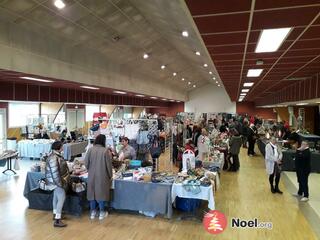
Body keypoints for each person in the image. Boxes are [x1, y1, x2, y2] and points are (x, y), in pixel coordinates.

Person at [85, 134, 113, 220]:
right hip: (102, 175)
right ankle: (101, 212)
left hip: (91, 175)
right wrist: (110, 175)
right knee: (101, 194)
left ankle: (92, 212)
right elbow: (109, 165)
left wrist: (90, 169)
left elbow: (86, 164)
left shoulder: (90, 150)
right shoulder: (105, 151)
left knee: (92, 194)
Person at [45, 141, 70, 227]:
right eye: (62, 147)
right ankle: (57, 220)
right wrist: (60, 184)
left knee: (56, 197)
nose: (63, 148)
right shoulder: (54, 158)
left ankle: (55, 214)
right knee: (61, 198)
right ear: (58, 148)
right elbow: (55, 173)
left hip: (54, 182)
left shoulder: (55, 156)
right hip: (56, 182)